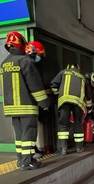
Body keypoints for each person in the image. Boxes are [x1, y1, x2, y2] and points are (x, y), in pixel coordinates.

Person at [0, 32, 49, 170]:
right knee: (29, 133)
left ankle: (20, 160)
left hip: (11, 107)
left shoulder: (4, 64)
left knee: (20, 135)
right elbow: (35, 85)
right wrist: (44, 103)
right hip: (26, 105)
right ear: (21, 44)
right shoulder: (25, 61)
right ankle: (27, 162)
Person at [51, 64, 86, 155]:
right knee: (78, 124)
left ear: (68, 67)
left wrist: (58, 93)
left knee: (63, 124)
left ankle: (63, 149)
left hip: (65, 101)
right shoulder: (82, 77)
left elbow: (53, 85)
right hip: (78, 103)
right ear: (78, 69)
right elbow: (86, 93)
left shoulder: (63, 72)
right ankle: (79, 147)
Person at [25, 41, 47, 159]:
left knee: (30, 128)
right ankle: (30, 154)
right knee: (29, 129)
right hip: (29, 102)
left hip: (29, 101)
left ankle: (31, 151)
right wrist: (44, 103)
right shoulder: (29, 65)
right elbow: (35, 85)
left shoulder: (30, 64)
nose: (40, 58)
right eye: (39, 54)